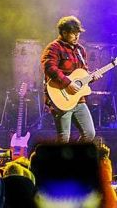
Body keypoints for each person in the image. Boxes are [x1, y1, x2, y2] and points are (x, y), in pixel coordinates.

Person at [41, 15, 98, 143]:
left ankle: (74, 159)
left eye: (78, 33)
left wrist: (92, 77)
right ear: (64, 33)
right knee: (64, 138)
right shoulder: (54, 47)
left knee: (89, 134)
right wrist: (68, 83)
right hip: (61, 98)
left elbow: (83, 74)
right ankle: (57, 162)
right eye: (73, 34)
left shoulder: (80, 50)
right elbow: (49, 67)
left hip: (78, 99)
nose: (77, 37)